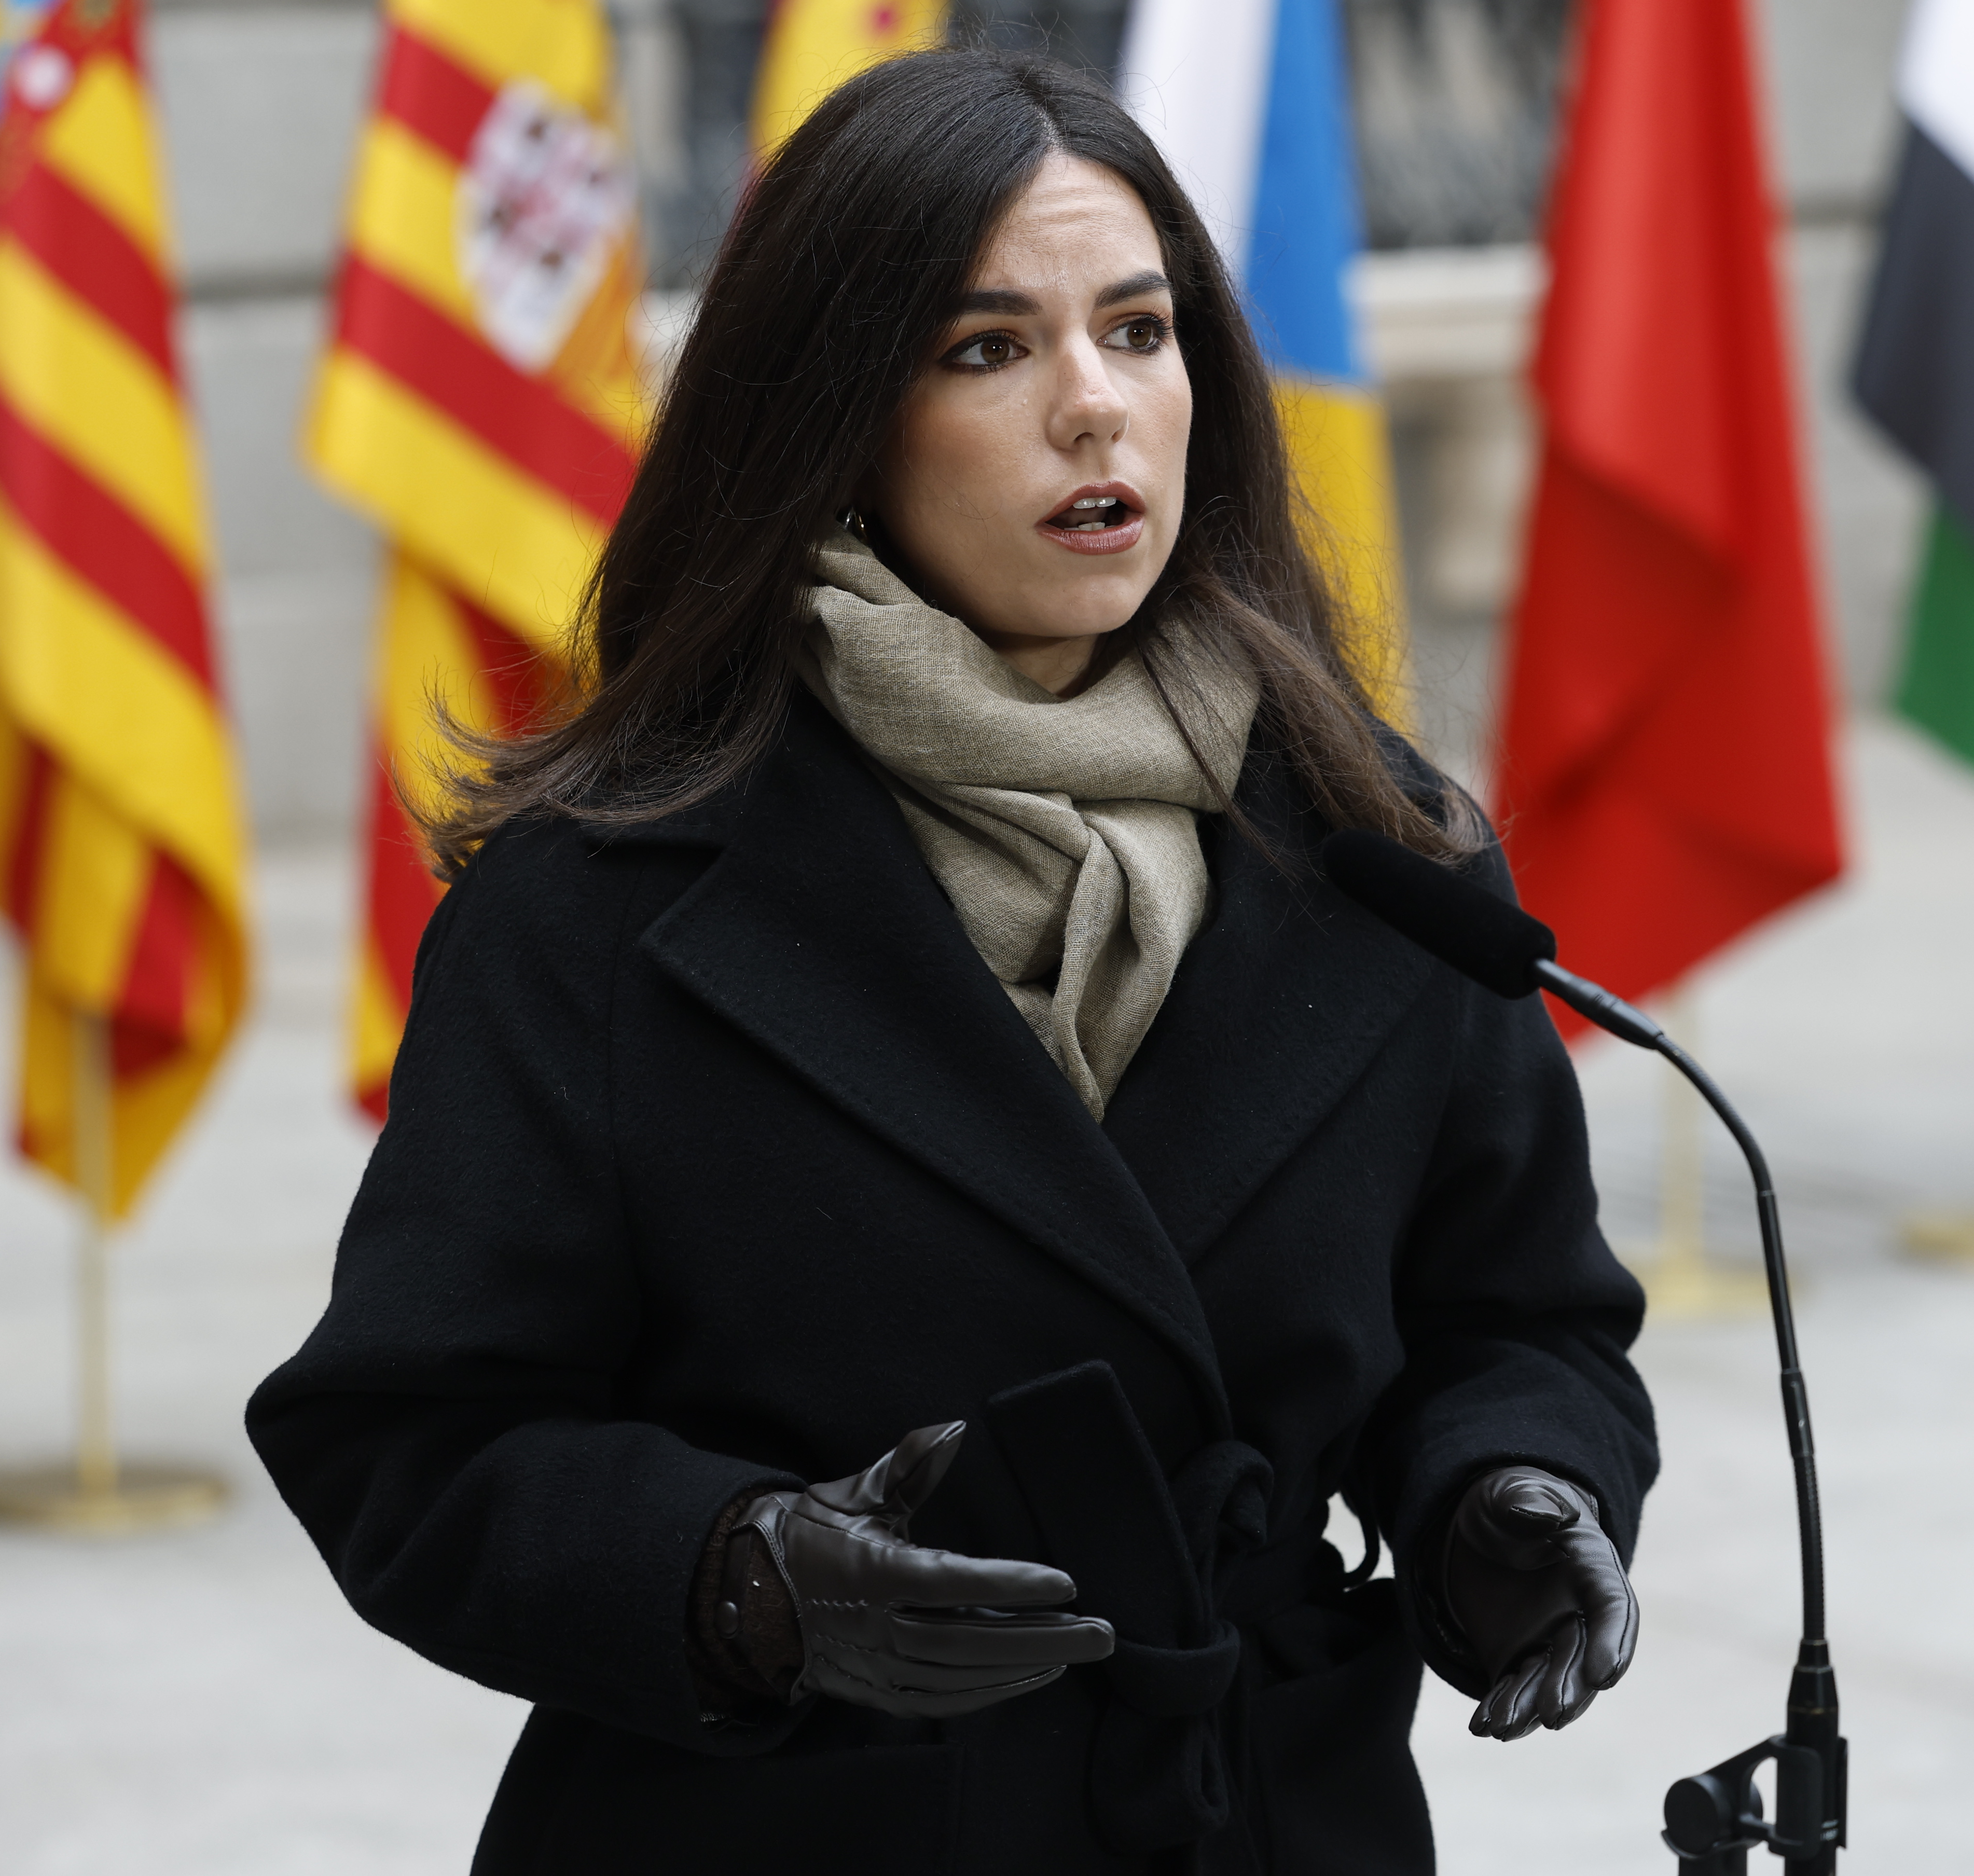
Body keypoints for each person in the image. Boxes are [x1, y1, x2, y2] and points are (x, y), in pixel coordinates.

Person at [249, 48, 1655, 1876]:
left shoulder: (1374, 845)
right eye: (988, 349)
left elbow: (1519, 1315)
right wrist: (737, 1578)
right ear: (836, 415)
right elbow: (410, 1439)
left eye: (1139, 332)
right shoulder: (600, 904)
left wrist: (1508, 1487)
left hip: (1257, 1819)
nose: (1097, 409)